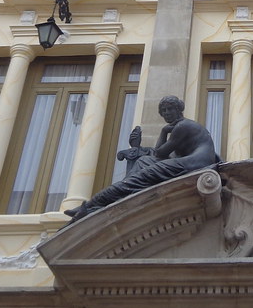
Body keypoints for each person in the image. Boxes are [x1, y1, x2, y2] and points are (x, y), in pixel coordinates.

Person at [63, 95, 221, 222]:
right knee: (142, 162)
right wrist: (164, 132)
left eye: (170, 109)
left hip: (196, 165)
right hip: (190, 163)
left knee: (140, 177)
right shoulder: (179, 128)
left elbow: (159, 154)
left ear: (179, 109)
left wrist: (163, 132)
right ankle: (110, 200)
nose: (166, 113)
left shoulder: (183, 126)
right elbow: (158, 155)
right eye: (163, 110)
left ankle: (92, 204)